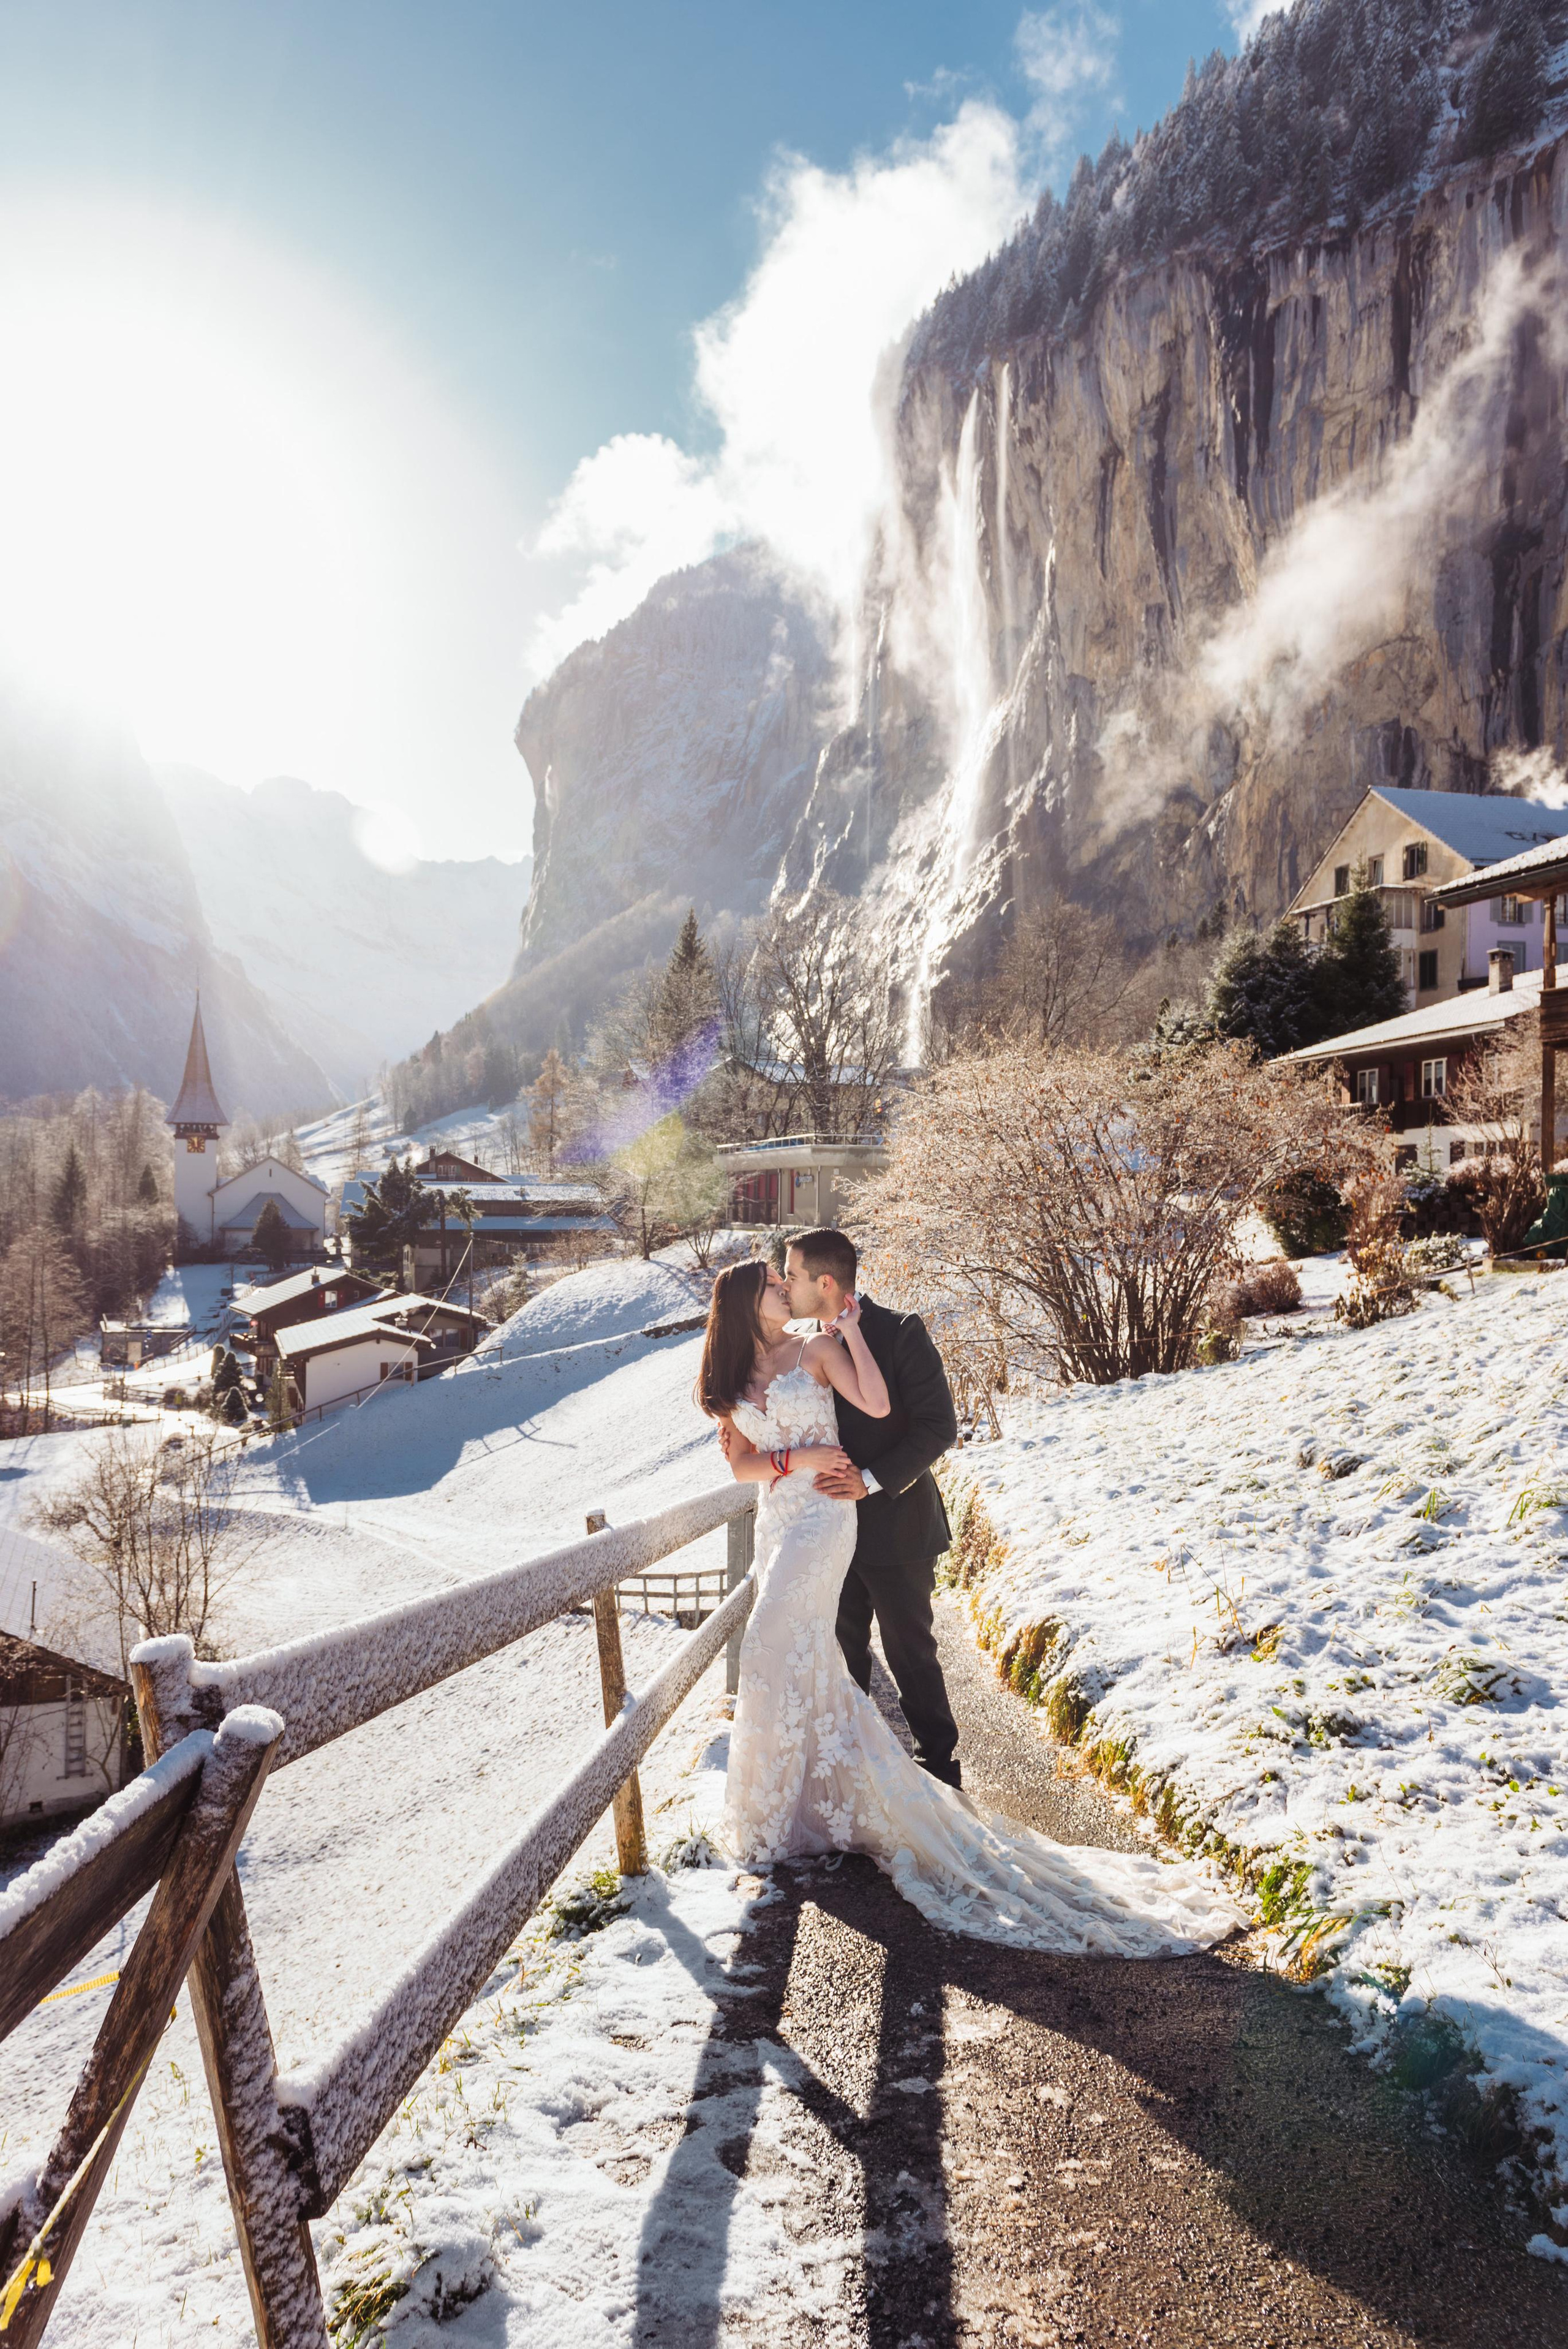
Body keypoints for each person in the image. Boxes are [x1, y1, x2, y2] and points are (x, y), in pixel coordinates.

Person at [699, 1254, 1243, 1957]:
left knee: (809, 1644)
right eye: (775, 1284)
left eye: (790, 1277)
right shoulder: (735, 1372)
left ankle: (915, 1777)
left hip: (839, 1516)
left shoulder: (823, 1346)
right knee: (801, 1654)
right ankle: (794, 1804)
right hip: (783, 1515)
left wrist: (855, 1336)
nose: (785, 1287)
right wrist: (793, 1463)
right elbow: (740, 1461)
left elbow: (893, 1412)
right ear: (748, 1302)